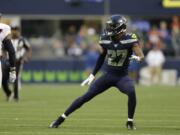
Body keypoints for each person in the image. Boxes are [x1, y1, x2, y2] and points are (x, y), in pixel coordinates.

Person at [49, 15, 144, 130]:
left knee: (131, 91)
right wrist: (92, 74)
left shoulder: (130, 38)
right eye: (109, 26)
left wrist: (138, 58)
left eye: (112, 26)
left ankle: (129, 122)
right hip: (108, 75)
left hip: (121, 77)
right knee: (86, 96)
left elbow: (140, 54)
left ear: (121, 27)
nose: (109, 28)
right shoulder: (105, 38)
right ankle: (60, 119)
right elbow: (101, 57)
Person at [1, 25, 31, 101]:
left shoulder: (22, 40)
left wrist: (26, 58)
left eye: (16, 30)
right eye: (13, 29)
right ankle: (9, 93)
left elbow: (28, 49)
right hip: (8, 61)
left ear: (19, 31)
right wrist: (4, 56)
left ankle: (16, 96)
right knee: (3, 79)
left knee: (15, 78)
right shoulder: (7, 39)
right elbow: (4, 50)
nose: (14, 31)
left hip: (18, 61)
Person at [0, 13, 16, 94]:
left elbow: (11, 51)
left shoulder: (4, 28)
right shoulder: (4, 28)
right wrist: (13, 70)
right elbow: (11, 51)